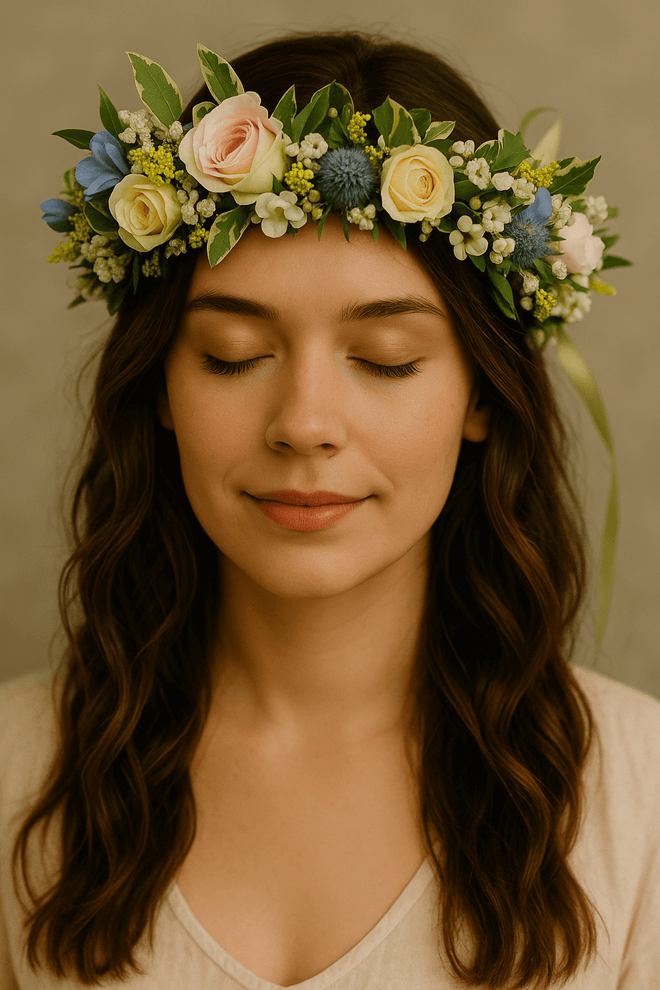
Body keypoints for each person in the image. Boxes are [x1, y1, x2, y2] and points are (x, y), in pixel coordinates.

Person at [1, 28, 657, 990]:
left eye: (386, 358)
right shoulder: (17, 773)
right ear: (159, 391)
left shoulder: (640, 799)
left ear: (482, 395)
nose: (304, 424)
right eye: (232, 354)